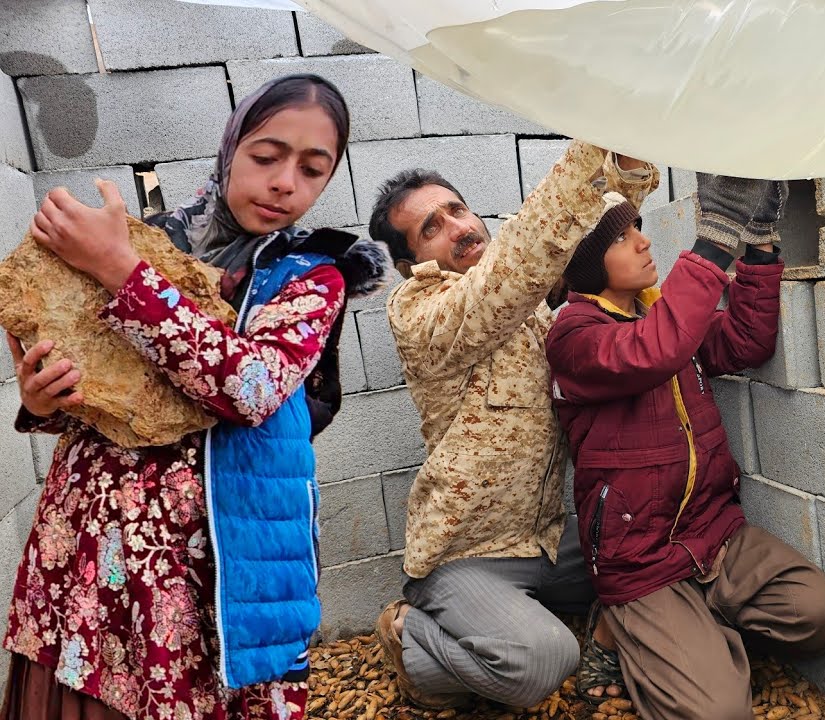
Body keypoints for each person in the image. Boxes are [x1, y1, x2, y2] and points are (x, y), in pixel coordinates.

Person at [1, 74, 389, 720]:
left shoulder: (310, 277)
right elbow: (96, 395)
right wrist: (45, 403)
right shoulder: (150, 243)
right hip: (87, 546)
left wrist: (121, 272)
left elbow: (250, 387)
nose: (285, 182)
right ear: (230, 147)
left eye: (312, 169)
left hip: (198, 570)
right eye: (267, 156)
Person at [365, 141, 659, 709]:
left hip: (547, 541)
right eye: (431, 228)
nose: (457, 226)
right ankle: (411, 633)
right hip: (466, 553)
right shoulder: (419, 311)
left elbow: (587, 238)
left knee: (653, 559)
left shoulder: (533, 301)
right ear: (413, 263)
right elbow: (515, 269)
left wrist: (624, 161)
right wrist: (587, 146)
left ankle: (505, 621)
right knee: (544, 662)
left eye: (457, 209)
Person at [544, 176, 825, 720]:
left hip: (713, 535)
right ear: (587, 263)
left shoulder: (656, 314)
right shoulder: (574, 335)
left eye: (639, 227)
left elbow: (746, 342)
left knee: (819, 615)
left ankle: (691, 627)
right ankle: (617, 630)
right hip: (640, 558)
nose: (642, 242)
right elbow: (653, 352)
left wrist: (758, 239)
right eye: (620, 238)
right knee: (718, 714)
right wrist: (713, 235)